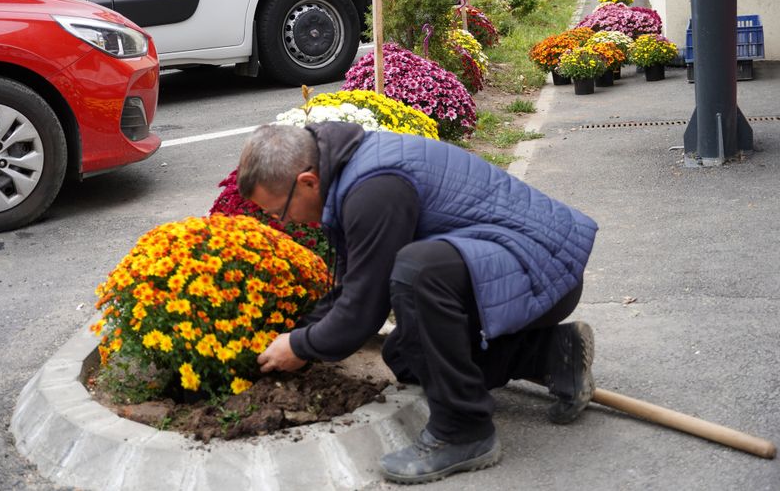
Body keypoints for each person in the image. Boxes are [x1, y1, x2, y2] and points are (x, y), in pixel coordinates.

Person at [240, 122, 598, 484]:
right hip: (513, 267)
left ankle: (463, 431)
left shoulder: (373, 189)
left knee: (418, 272)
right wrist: (295, 334)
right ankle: (550, 353)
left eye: (279, 211)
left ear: (307, 182)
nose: (284, 222)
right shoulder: (349, 173)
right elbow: (354, 287)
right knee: (407, 355)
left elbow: (364, 309)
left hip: (545, 270)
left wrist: (301, 346)